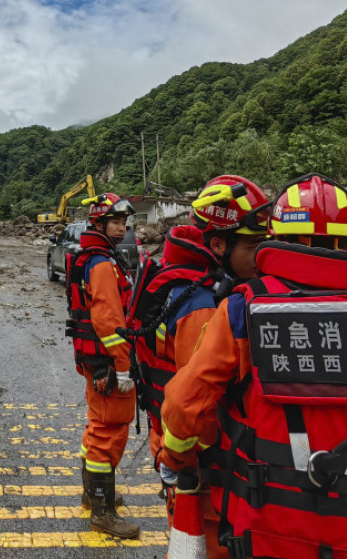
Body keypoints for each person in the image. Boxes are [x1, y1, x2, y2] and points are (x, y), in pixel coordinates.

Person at [161, 173, 347, 559]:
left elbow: (183, 408)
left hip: (267, 533)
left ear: (274, 238)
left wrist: (177, 459)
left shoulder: (241, 313)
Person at [124, 175, 270, 556]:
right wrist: (184, 460)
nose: (264, 256)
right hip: (200, 466)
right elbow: (195, 404)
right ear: (218, 244)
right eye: (255, 245)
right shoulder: (200, 301)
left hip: (174, 445)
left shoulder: (180, 279)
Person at [64, 192, 139, 538]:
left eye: (124, 222)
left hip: (93, 360)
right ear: (99, 224)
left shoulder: (88, 257)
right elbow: (109, 321)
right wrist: (122, 366)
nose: (122, 227)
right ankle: (102, 511)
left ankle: (93, 493)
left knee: (97, 425)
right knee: (109, 431)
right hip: (108, 363)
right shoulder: (102, 264)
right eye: (115, 222)